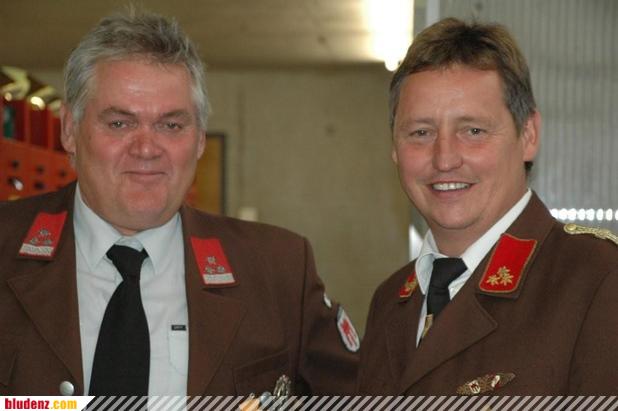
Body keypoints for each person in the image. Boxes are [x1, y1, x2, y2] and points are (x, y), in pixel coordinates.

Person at [0, 9, 358, 396]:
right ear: (70, 130)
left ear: (199, 138)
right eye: (119, 123)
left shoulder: (277, 270)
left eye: (171, 125)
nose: (146, 148)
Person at [358, 17, 618, 395]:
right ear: (394, 149)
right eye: (421, 132)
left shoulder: (597, 281)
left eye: (473, 131)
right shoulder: (389, 301)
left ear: (528, 135)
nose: (445, 159)